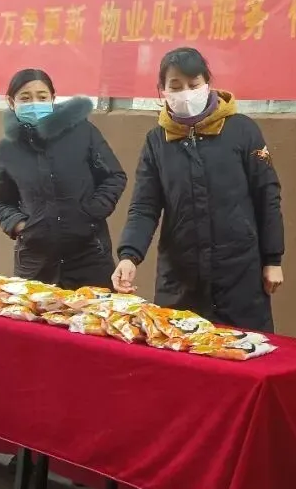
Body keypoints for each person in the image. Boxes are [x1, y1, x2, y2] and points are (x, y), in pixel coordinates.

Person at [113, 46, 284, 333]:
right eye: (175, 86)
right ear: (162, 90)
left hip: (239, 275)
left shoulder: (242, 130)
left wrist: (273, 259)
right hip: (180, 279)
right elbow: (144, 206)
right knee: (179, 349)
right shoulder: (157, 141)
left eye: (193, 85)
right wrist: (130, 256)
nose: (186, 93)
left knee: (243, 349)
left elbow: (267, 196)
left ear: (207, 83)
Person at [0, 68, 127, 289]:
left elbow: (114, 177)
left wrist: (92, 212)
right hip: (35, 264)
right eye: (25, 98)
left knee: (91, 312)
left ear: (53, 99)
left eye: (42, 97)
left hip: (89, 258)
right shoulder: (7, 149)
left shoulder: (83, 132)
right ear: (11, 102)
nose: (35, 103)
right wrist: (21, 225)